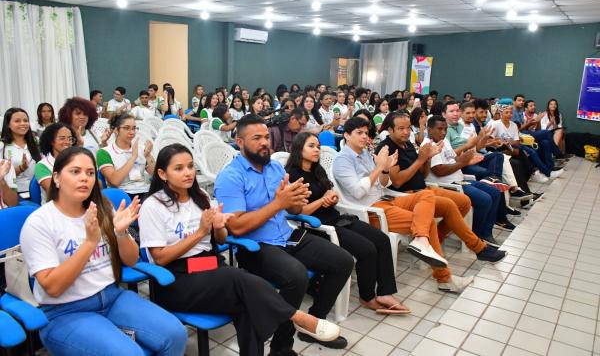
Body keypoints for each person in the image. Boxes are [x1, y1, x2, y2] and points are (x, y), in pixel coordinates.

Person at [139, 144, 340, 356]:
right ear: (162, 173)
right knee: (238, 278)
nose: (188, 172)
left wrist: (218, 228)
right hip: (175, 277)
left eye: (190, 166)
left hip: (206, 265)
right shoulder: (153, 206)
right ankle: (297, 317)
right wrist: (199, 232)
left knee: (247, 304)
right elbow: (160, 259)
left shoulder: (200, 197)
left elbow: (219, 241)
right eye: (178, 168)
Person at [20, 147, 187, 356]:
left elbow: (131, 259)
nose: (84, 179)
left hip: (112, 297)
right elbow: (53, 287)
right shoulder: (39, 223)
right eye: (75, 172)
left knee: (176, 334)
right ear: (56, 177)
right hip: (65, 312)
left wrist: (121, 233)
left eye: (90, 173)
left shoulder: (102, 208)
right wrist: (90, 243)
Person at [214, 114, 354, 353]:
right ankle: (281, 347)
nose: (264, 142)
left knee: (343, 261)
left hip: (287, 236)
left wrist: (295, 200)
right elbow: (235, 227)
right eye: (256, 138)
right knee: (296, 276)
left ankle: (312, 324)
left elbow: (293, 209)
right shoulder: (231, 176)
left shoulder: (275, 167)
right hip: (256, 246)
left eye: (266, 137)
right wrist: (279, 204)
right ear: (239, 142)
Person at [334, 117, 507, 292]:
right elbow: (358, 192)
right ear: (347, 135)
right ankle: (443, 276)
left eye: (365, 133)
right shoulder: (343, 160)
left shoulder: (366, 153)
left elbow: (384, 184)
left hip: (388, 198)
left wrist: (385, 169)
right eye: (359, 133)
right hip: (372, 210)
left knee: (427, 197)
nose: (364, 137)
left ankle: (432, 243)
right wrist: (380, 167)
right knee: (427, 222)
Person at [285, 133, 408, 315]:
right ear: (298, 149)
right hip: (317, 227)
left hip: (336, 218)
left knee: (381, 240)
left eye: (318, 146)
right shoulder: (293, 176)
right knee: (366, 249)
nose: (317, 149)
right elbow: (298, 212)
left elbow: (330, 194)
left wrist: (332, 198)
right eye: (311, 146)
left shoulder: (318, 170)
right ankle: (367, 297)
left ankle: (385, 292)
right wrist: (321, 201)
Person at [424, 116, 513, 246]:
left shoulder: (444, 141)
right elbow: (439, 170)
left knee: (495, 191)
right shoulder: (428, 145)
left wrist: (467, 159)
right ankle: (475, 236)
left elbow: (454, 160)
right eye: (440, 129)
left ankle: (486, 233)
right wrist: (462, 163)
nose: (443, 132)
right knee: (484, 199)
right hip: (448, 186)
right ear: (429, 130)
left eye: (445, 129)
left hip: (460, 180)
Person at [97, 113, 154, 201]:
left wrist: (148, 155)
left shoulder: (140, 148)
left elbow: (155, 173)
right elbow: (114, 181)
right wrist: (133, 157)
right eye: (126, 128)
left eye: (134, 128)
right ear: (116, 130)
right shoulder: (104, 152)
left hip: (144, 190)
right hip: (121, 193)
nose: (132, 132)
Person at [0, 108, 42, 197]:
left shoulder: (37, 143)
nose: (23, 124)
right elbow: (2, 175)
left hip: (38, 192)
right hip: (14, 194)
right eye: (17, 121)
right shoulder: (2, 146)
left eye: (26, 121)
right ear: (8, 124)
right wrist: (21, 168)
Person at [35, 123, 76, 203]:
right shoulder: (42, 165)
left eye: (70, 139)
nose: (67, 142)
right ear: (51, 141)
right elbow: (55, 192)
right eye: (62, 138)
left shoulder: (78, 160)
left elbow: (97, 184)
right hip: (54, 209)